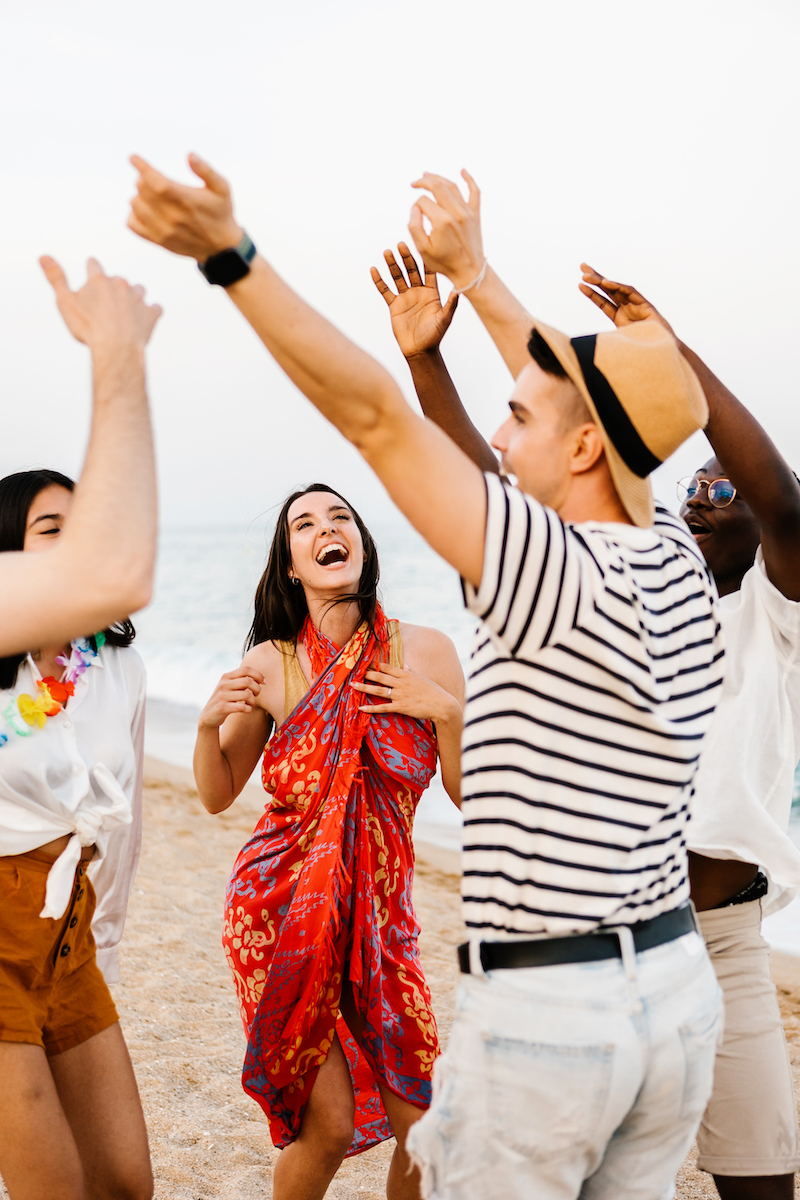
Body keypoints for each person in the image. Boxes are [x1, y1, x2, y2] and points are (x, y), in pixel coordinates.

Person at [128, 154, 725, 1200]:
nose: (494, 439)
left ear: (584, 444)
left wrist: (232, 256)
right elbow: (595, 420)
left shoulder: (555, 575)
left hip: (559, 1015)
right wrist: (482, 279)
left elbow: (372, 419)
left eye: (518, 422)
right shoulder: (672, 554)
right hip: (673, 996)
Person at [576, 268, 800, 1200]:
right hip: (617, 938)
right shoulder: (649, 607)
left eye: (723, 485)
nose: (704, 494)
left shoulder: (779, 616)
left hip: (729, 945)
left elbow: (780, 495)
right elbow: (504, 506)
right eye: (693, 485)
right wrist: (427, 368)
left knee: (763, 1178)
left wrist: (675, 360)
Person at [193, 482, 464, 1200]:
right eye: (304, 525)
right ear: (291, 564)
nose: (326, 530)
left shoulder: (428, 652)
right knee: (331, 1125)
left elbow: (473, 797)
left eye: (339, 517)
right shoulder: (271, 665)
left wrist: (447, 713)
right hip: (279, 911)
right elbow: (219, 793)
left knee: (428, 1124)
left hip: (381, 918)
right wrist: (202, 727)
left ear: (362, 544)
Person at [0, 470, 151, 1200]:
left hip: (72, 937)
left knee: (125, 1182)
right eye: (51, 530)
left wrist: (107, 943)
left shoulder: (117, 665)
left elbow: (129, 825)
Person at [0, 257, 160, 657]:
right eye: (52, 530)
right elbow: (111, 573)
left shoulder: (122, 665)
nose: (81, 544)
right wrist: (118, 346)